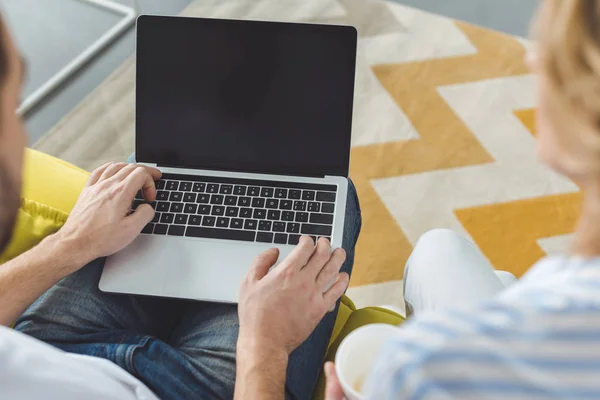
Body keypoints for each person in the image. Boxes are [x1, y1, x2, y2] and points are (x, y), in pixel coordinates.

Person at [0, 14, 363, 400]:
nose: (23, 134)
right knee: (331, 192)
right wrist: (266, 347)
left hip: (49, 349)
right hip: (204, 391)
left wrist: (70, 242)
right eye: (15, 104)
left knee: (153, 170)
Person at [322, 0, 600, 398]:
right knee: (457, 258)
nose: (533, 61)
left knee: (439, 253)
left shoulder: (424, 364)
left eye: (553, 55)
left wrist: (262, 346)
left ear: (586, 105)